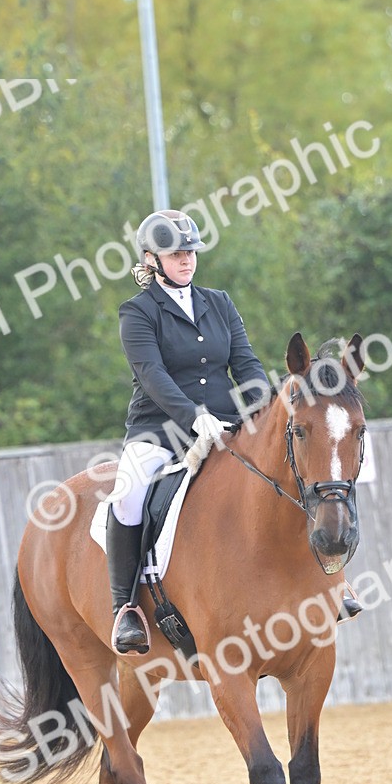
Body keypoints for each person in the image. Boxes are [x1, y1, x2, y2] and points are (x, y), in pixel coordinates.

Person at [106, 208, 271, 654]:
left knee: (285, 470)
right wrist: (192, 416)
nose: (187, 260)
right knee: (128, 492)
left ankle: (330, 579)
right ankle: (126, 610)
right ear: (151, 259)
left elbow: (246, 363)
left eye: (191, 252)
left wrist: (268, 407)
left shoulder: (219, 302)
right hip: (159, 430)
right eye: (176, 254)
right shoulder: (137, 313)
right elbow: (153, 375)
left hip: (223, 425)